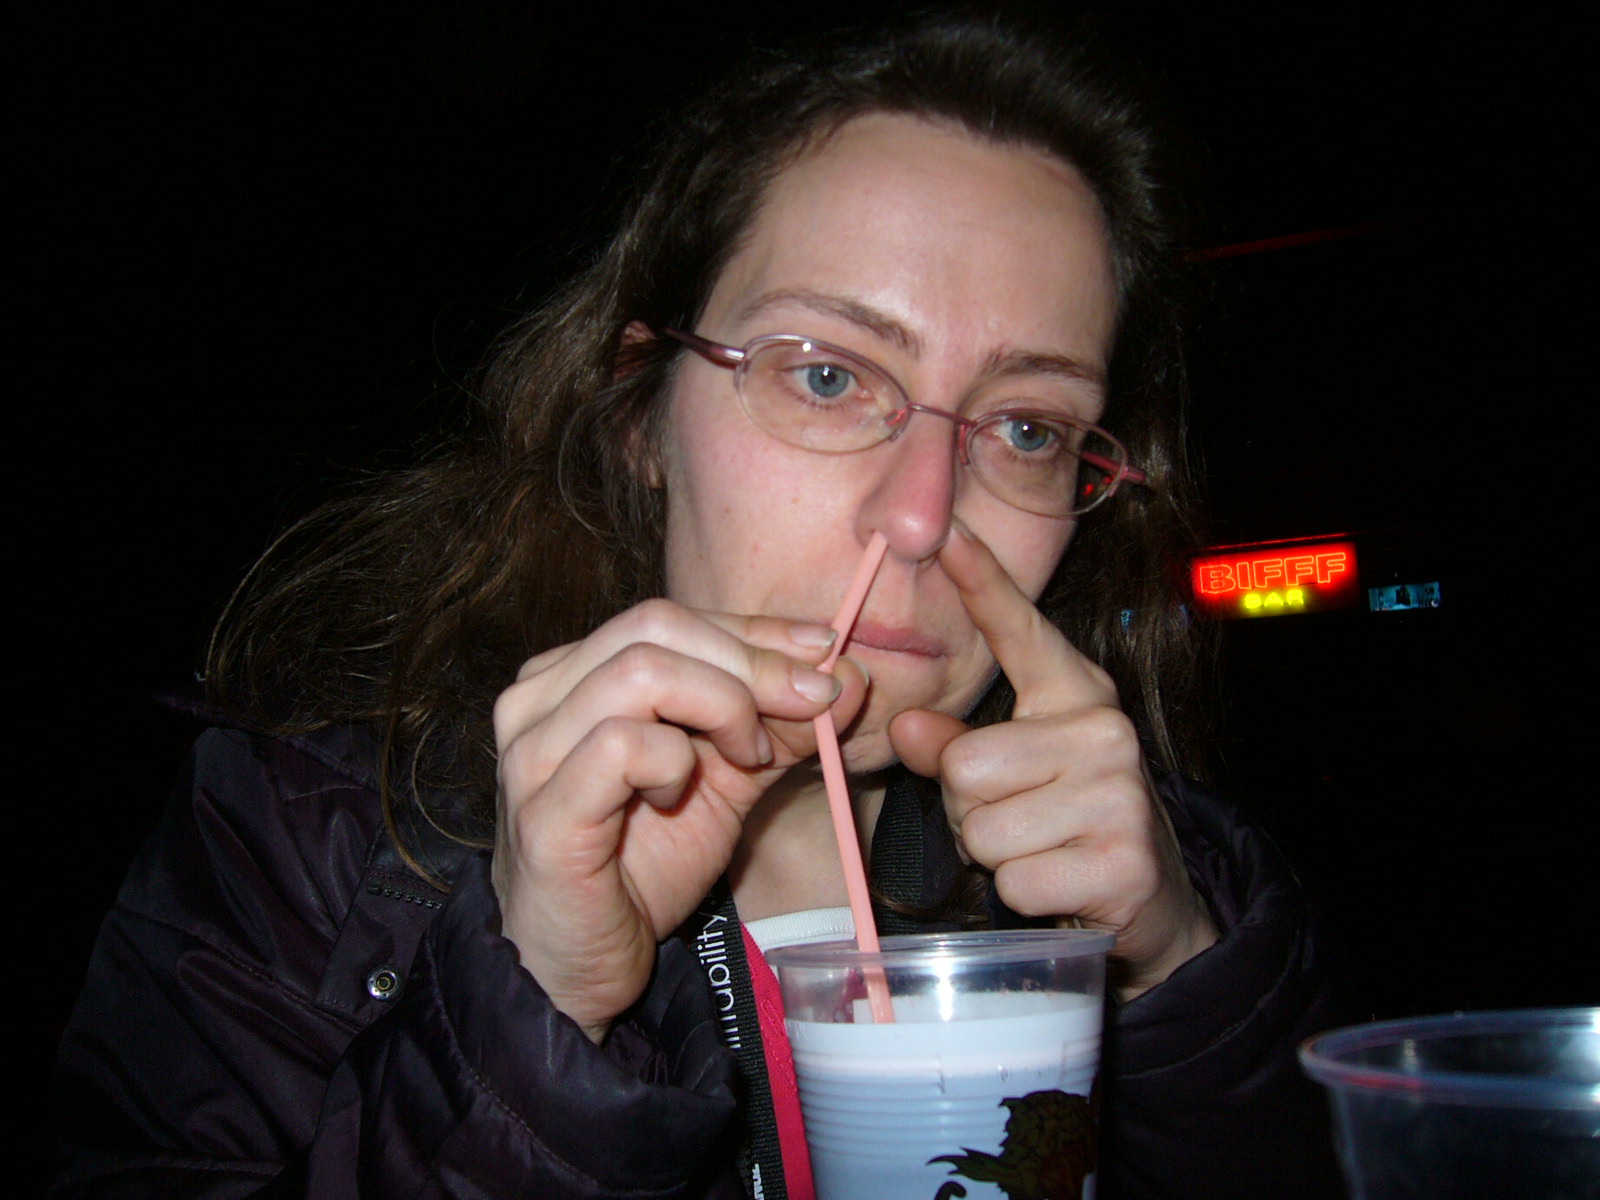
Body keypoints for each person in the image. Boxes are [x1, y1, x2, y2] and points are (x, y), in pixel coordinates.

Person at [54, 16, 1346, 1199]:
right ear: (641, 414)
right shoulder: (315, 834)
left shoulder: (1153, 886)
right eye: (828, 375)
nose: (920, 517)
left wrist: (1183, 986)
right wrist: (530, 1014)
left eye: (1025, 428)